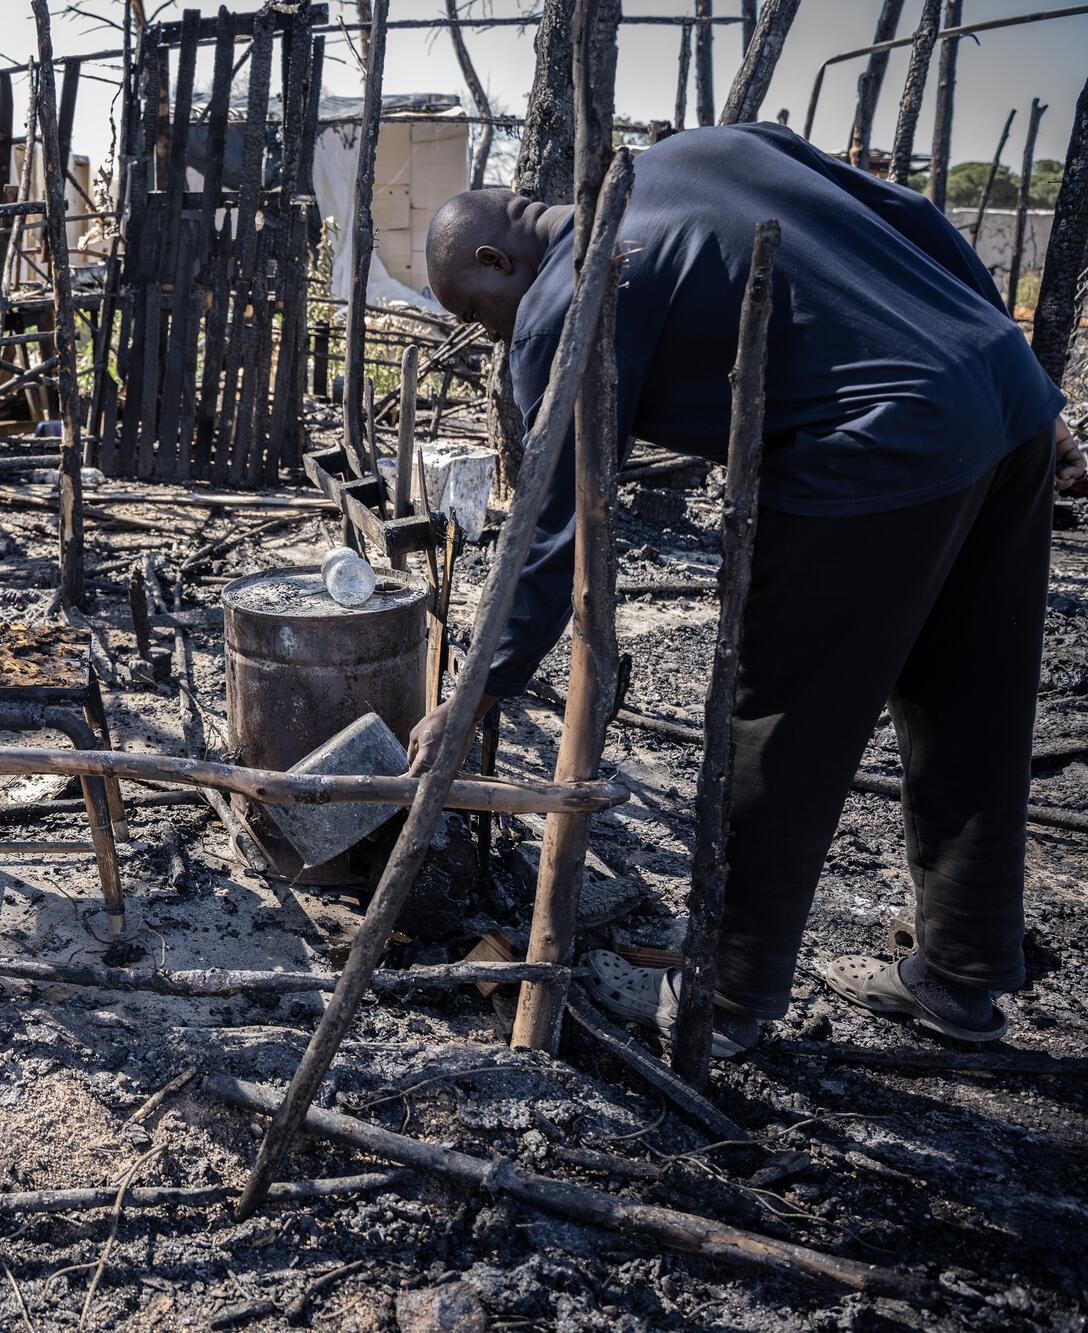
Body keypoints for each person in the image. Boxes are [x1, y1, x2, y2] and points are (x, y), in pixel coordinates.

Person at [410, 122, 1085, 1056]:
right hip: (1002, 398)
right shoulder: (710, 149)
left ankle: (722, 995)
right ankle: (961, 979)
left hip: (877, 439)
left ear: (499, 257)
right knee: (972, 701)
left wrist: (477, 689)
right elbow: (914, 217)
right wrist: (1024, 376)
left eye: (481, 312)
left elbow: (553, 527)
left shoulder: (574, 289)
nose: (494, 336)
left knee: (779, 721)